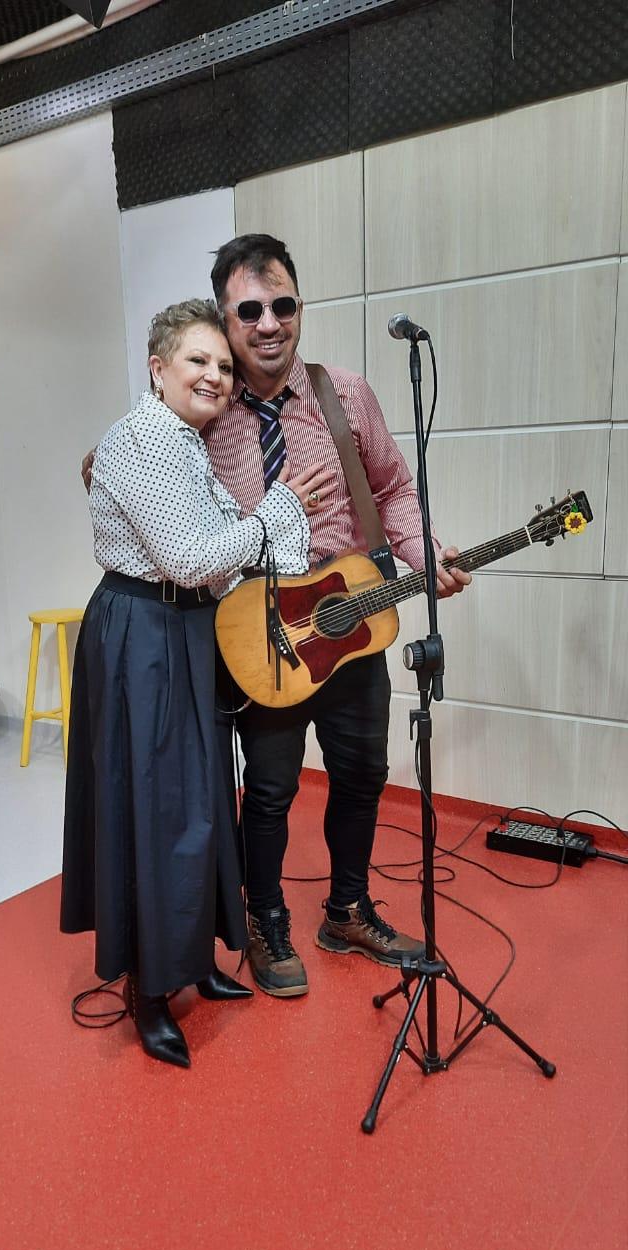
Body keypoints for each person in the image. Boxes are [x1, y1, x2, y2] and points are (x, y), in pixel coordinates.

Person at [62, 297, 335, 1066]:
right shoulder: (145, 436)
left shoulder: (186, 439)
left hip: (186, 628)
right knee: (156, 807)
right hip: (143, 631)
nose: (215, 375)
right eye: (197, 361)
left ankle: (196, 962)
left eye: (222, 364)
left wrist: (263, 535)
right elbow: (188, 558)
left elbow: (216, 552)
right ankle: (150, 990)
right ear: (159, 368)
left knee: (207, 796)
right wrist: (277, 510)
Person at [202, 234, 472, 998]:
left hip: (352, 623)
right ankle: (266, 920)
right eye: (248, 310)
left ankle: (347, 911)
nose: (268, 323)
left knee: (361, 775)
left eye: (282, 304)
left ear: (300, 306)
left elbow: (392, 489)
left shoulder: (344, 393)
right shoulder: (204, 405)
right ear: (224, 318)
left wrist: (424, 553)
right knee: (271, 789)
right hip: (267, 635)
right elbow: (147, 465)